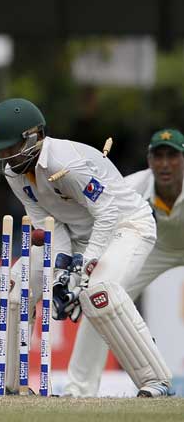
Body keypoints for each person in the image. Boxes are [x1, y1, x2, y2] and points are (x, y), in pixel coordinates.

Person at [0, 98, 172, 397]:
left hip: (125, 226)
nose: (5, 157)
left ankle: (156, 381)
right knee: (9, 285)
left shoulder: (65, 162)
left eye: (11, 147)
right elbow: (50, 225)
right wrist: (63, 272)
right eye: (1, 149)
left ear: (33, 137)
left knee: (98, 291)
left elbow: (107, 212)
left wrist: (83, 269)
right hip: (76, 233)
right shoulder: (15, 174)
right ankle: (5, 384)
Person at [62, 128, 184, 396]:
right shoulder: (130, 187)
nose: (165, 164)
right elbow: (101, 219)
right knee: (100, 298)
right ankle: (78, 390)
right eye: (159, 156)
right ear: (149, 160)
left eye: (173, 156)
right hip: (155, 247)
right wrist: (91, 259)